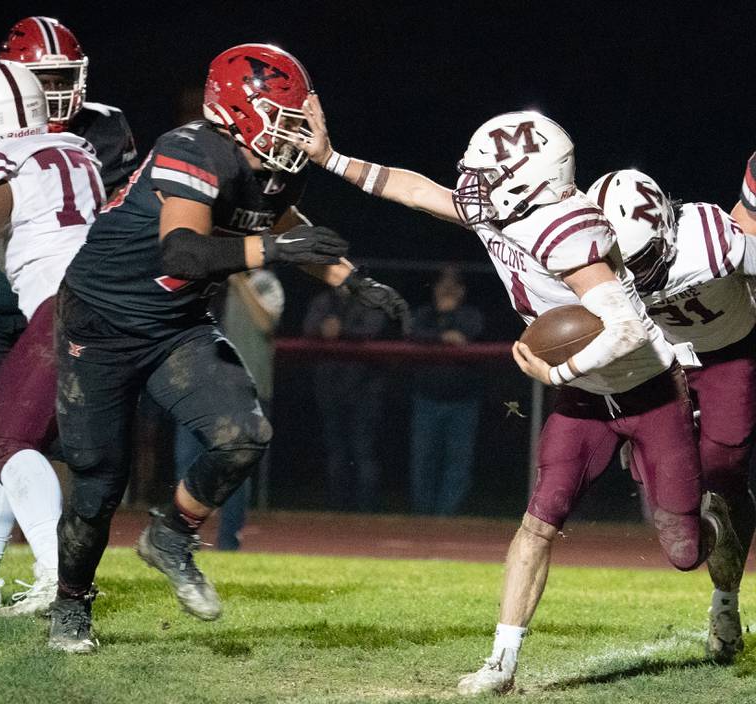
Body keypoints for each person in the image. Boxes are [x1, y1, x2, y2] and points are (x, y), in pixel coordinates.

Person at [298, 102, 743, 694]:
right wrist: (331, 159)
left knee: (685, 549)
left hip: (648, 390)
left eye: (489, 176)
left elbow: (628, 329)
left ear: (533, 183)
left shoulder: (569, 231)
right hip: (586, 400)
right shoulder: (503, 212)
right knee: (539, 518)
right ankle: (501, 664)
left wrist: (557, 375)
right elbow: (415, 190)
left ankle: (724, 560)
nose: (472, 187)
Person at [48, 43, 408, 653]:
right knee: (99, 483)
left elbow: (284, 223)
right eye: (285, 114)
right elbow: (183, 253)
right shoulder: (193, 148)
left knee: (245, 433)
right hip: (101, 325)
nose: (296, 129)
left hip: (174, 326)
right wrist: (275, 252)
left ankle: (171, 536)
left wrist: (352, 280)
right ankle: (71, 603)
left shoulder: (271, 163)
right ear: (239, 109)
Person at [0, 16, 138, 613]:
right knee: (13, 432)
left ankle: (58, 577)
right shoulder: (77, 150)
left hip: (64, 311)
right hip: (110, 305)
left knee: (5, 441)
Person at [588, 168, 756, 661]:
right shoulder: (590, 253)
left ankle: (725, 601)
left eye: (640, 259)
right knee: (663, 476)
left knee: (725, 472)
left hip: (729, 351)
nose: (633, 275)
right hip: (658, 361)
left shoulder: (711, 238)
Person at [174, 269, 285, 549]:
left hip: (242, 387)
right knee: (187, 459)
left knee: (234, 464)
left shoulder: (265, 282)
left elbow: (265, 323)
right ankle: (180, 535)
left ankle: (229, 540)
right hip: (198, 385)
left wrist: (239, 280)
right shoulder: (207, 280)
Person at [303, 283, 394, 512]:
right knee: (336, 452)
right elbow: (308, 327)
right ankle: (338, 510)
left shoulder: (369, 299)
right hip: (330, 390)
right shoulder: (324, 301)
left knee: (363, 452)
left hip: (364, 390)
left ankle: (366, 511)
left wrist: (341, 329)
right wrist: (322, 329)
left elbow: (373, 329)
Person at [409, 266, 484, 515]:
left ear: (462, 291)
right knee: (423, 460)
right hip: (426, 399)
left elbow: (474, 332)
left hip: (462, 401)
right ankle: (422, 515)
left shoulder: (470, 314)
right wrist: (443, 334)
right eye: (443, 285)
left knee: (457, 462)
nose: (447, 291)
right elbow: (412, 332)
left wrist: (451, 317)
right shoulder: (424, 314)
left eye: (453, 286)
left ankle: (446, 517)